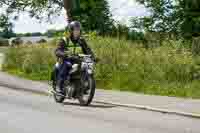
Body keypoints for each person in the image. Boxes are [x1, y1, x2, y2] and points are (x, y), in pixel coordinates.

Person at [53, 21, 96, 94]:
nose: (77, 32)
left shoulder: (81, 41)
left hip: (77, 60)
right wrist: (64, 54)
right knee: (67, 65)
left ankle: (84, 86)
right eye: (75, 30)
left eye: (78, 30)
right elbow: (57, 51)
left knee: (86, 67)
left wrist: (93, 57)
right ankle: (59, 86)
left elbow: (87, 50)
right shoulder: (64, 40)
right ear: (71, 30)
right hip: (66, 60)